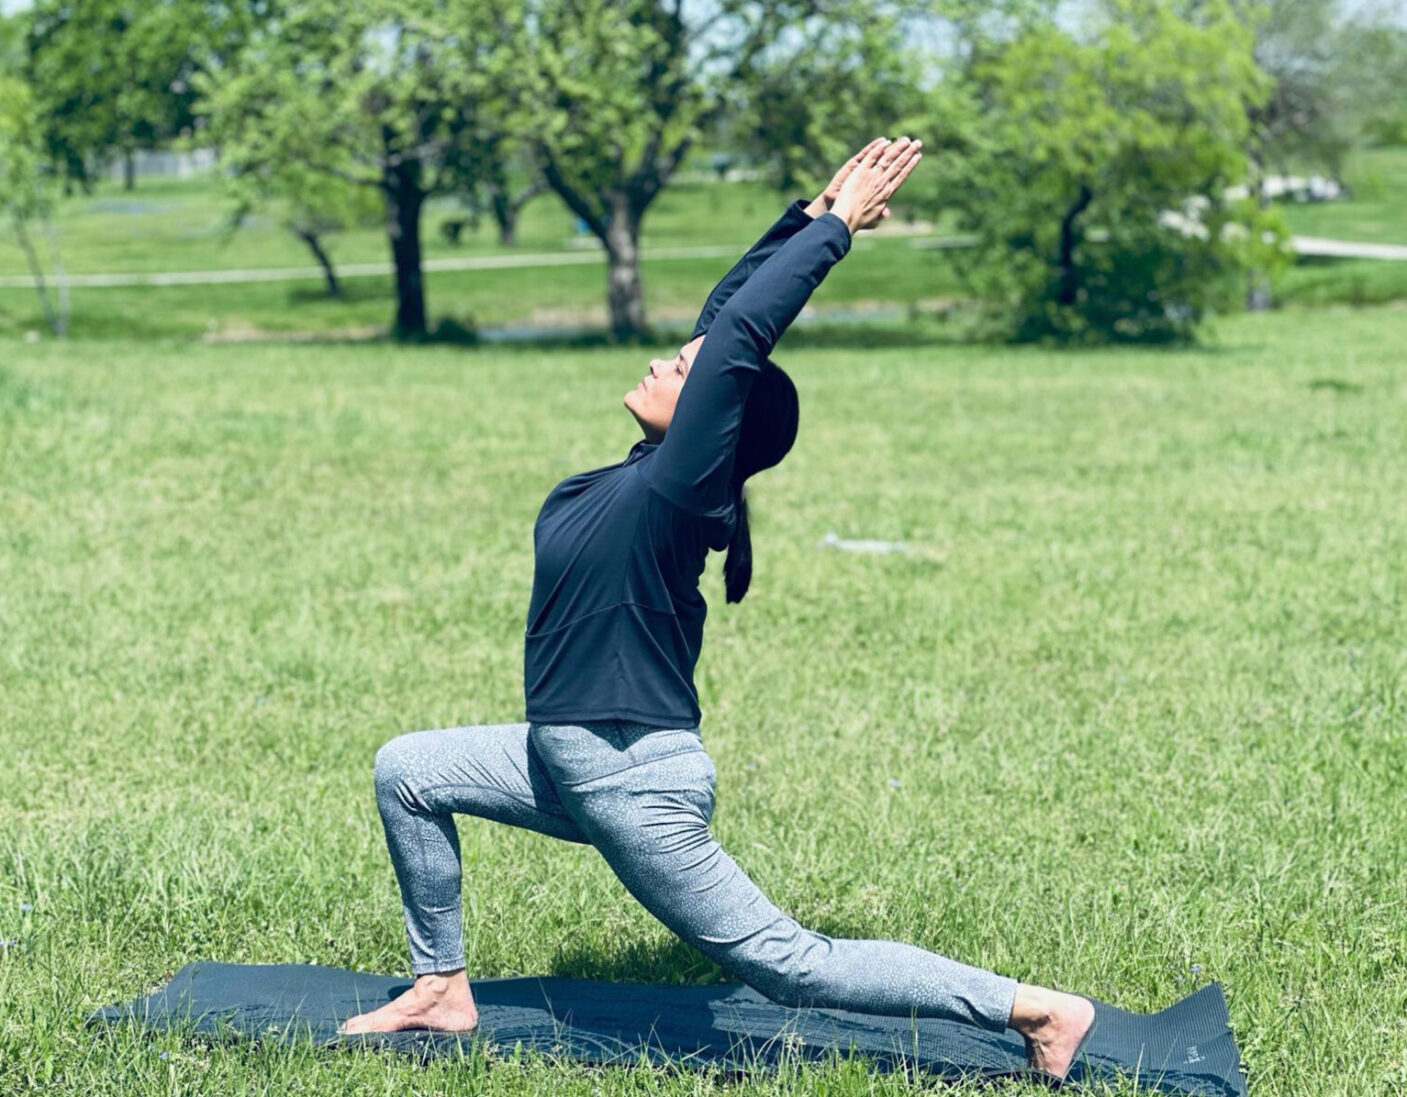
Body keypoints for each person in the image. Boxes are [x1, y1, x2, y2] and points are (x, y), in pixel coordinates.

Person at [343, 137, 1098, 1078]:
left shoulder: (681, 491)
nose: (661, 361)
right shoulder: (649, 473)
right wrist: (805, 212)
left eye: (682, 368)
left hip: (629, 775)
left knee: (786, 962)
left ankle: (1035, 1008)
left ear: (716, 420)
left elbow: (738, 335)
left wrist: (834, 233)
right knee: (409, 769)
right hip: (571, 752)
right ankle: (440, 987)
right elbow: (721, 319)